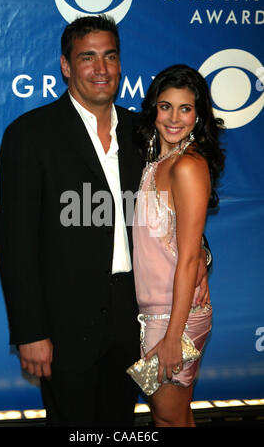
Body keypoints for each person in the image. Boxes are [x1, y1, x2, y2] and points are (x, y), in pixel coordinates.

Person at [0, 15, 210, 427]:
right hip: (64, 322)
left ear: (120, 63)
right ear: (66, 65)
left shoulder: (143, 132)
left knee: (119, 424)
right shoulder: (30, 135)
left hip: (135, 317)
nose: (101, 69)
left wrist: (202, 253)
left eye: (109, 56)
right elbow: (14, 243)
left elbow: (178, 211)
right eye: (87, 57)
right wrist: (29, 331)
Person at [133, 64, 225, 427]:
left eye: (185, 108)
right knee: (175, 417)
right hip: (157, 312)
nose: (174, 118)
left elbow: (187, 259)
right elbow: (180, 238)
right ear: (154, 108)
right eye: (165, 106)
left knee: (169, 419)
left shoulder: (187, 165)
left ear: (198, 114)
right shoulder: (158, 162)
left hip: (174, 318)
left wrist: (173, 334)